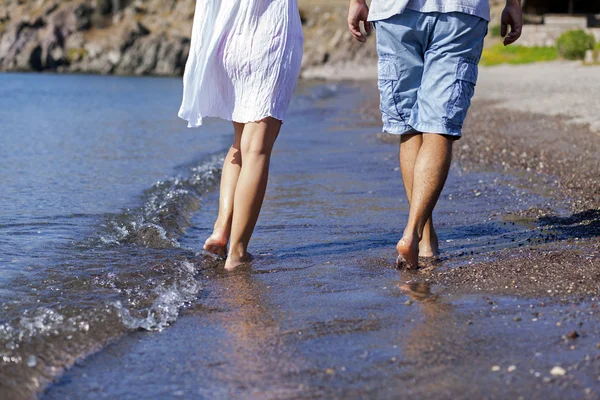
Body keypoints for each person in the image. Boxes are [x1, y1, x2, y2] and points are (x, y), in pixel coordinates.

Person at [348, 0, 522, 269]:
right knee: (438, 125)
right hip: (460, 12)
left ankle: (424, 241)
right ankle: (415, 234)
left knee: (408, 128)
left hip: (396, 12)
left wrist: (357, 1)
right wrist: (513, 3)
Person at [179, 1, 303, 270]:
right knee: (257, 148)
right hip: (271, 38)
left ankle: (222, 229)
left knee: (240, 142)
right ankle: (237, 251)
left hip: (232, 38)